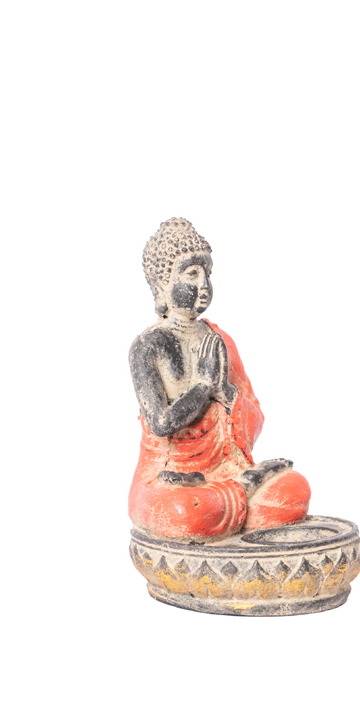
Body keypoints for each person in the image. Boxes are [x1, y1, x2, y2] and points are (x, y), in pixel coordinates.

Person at [128, 218, 311, 539]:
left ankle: (237, 491)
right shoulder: (148, 346)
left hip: (221, 471)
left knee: (293, 491)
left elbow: (254, 413)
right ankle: (245, 488)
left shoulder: (219, 340)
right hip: (169, 480)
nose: (203, 285)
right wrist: (202, 386)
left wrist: (225, 394)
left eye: (208, 274)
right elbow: (160, 423)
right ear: (163, 285)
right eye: (192, 274)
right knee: (184, 514)